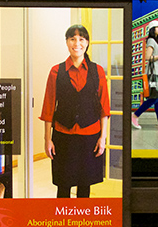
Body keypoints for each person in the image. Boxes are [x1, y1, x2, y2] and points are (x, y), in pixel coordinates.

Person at [40, 25, 111, 198]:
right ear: (67, 42)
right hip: (63, 136)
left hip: (90, 136)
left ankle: (81, 216)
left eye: (81, 39)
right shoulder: (56, 71)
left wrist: (103, 138)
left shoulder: (97, 71)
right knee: (63, 185)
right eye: (72, 39)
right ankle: (63, 216)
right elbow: (49, 107)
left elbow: (104, 108)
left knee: (84, 186)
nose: (76, 43)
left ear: (87, 43)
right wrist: (47, 139)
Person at [132, 19, 158, 130]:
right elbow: (148, 57)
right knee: (154, 97)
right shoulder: (151, 40)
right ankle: (135, 115)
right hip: (152, 73)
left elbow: (154, 57)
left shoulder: (155, 42)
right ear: (152, 29)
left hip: (157, 72)